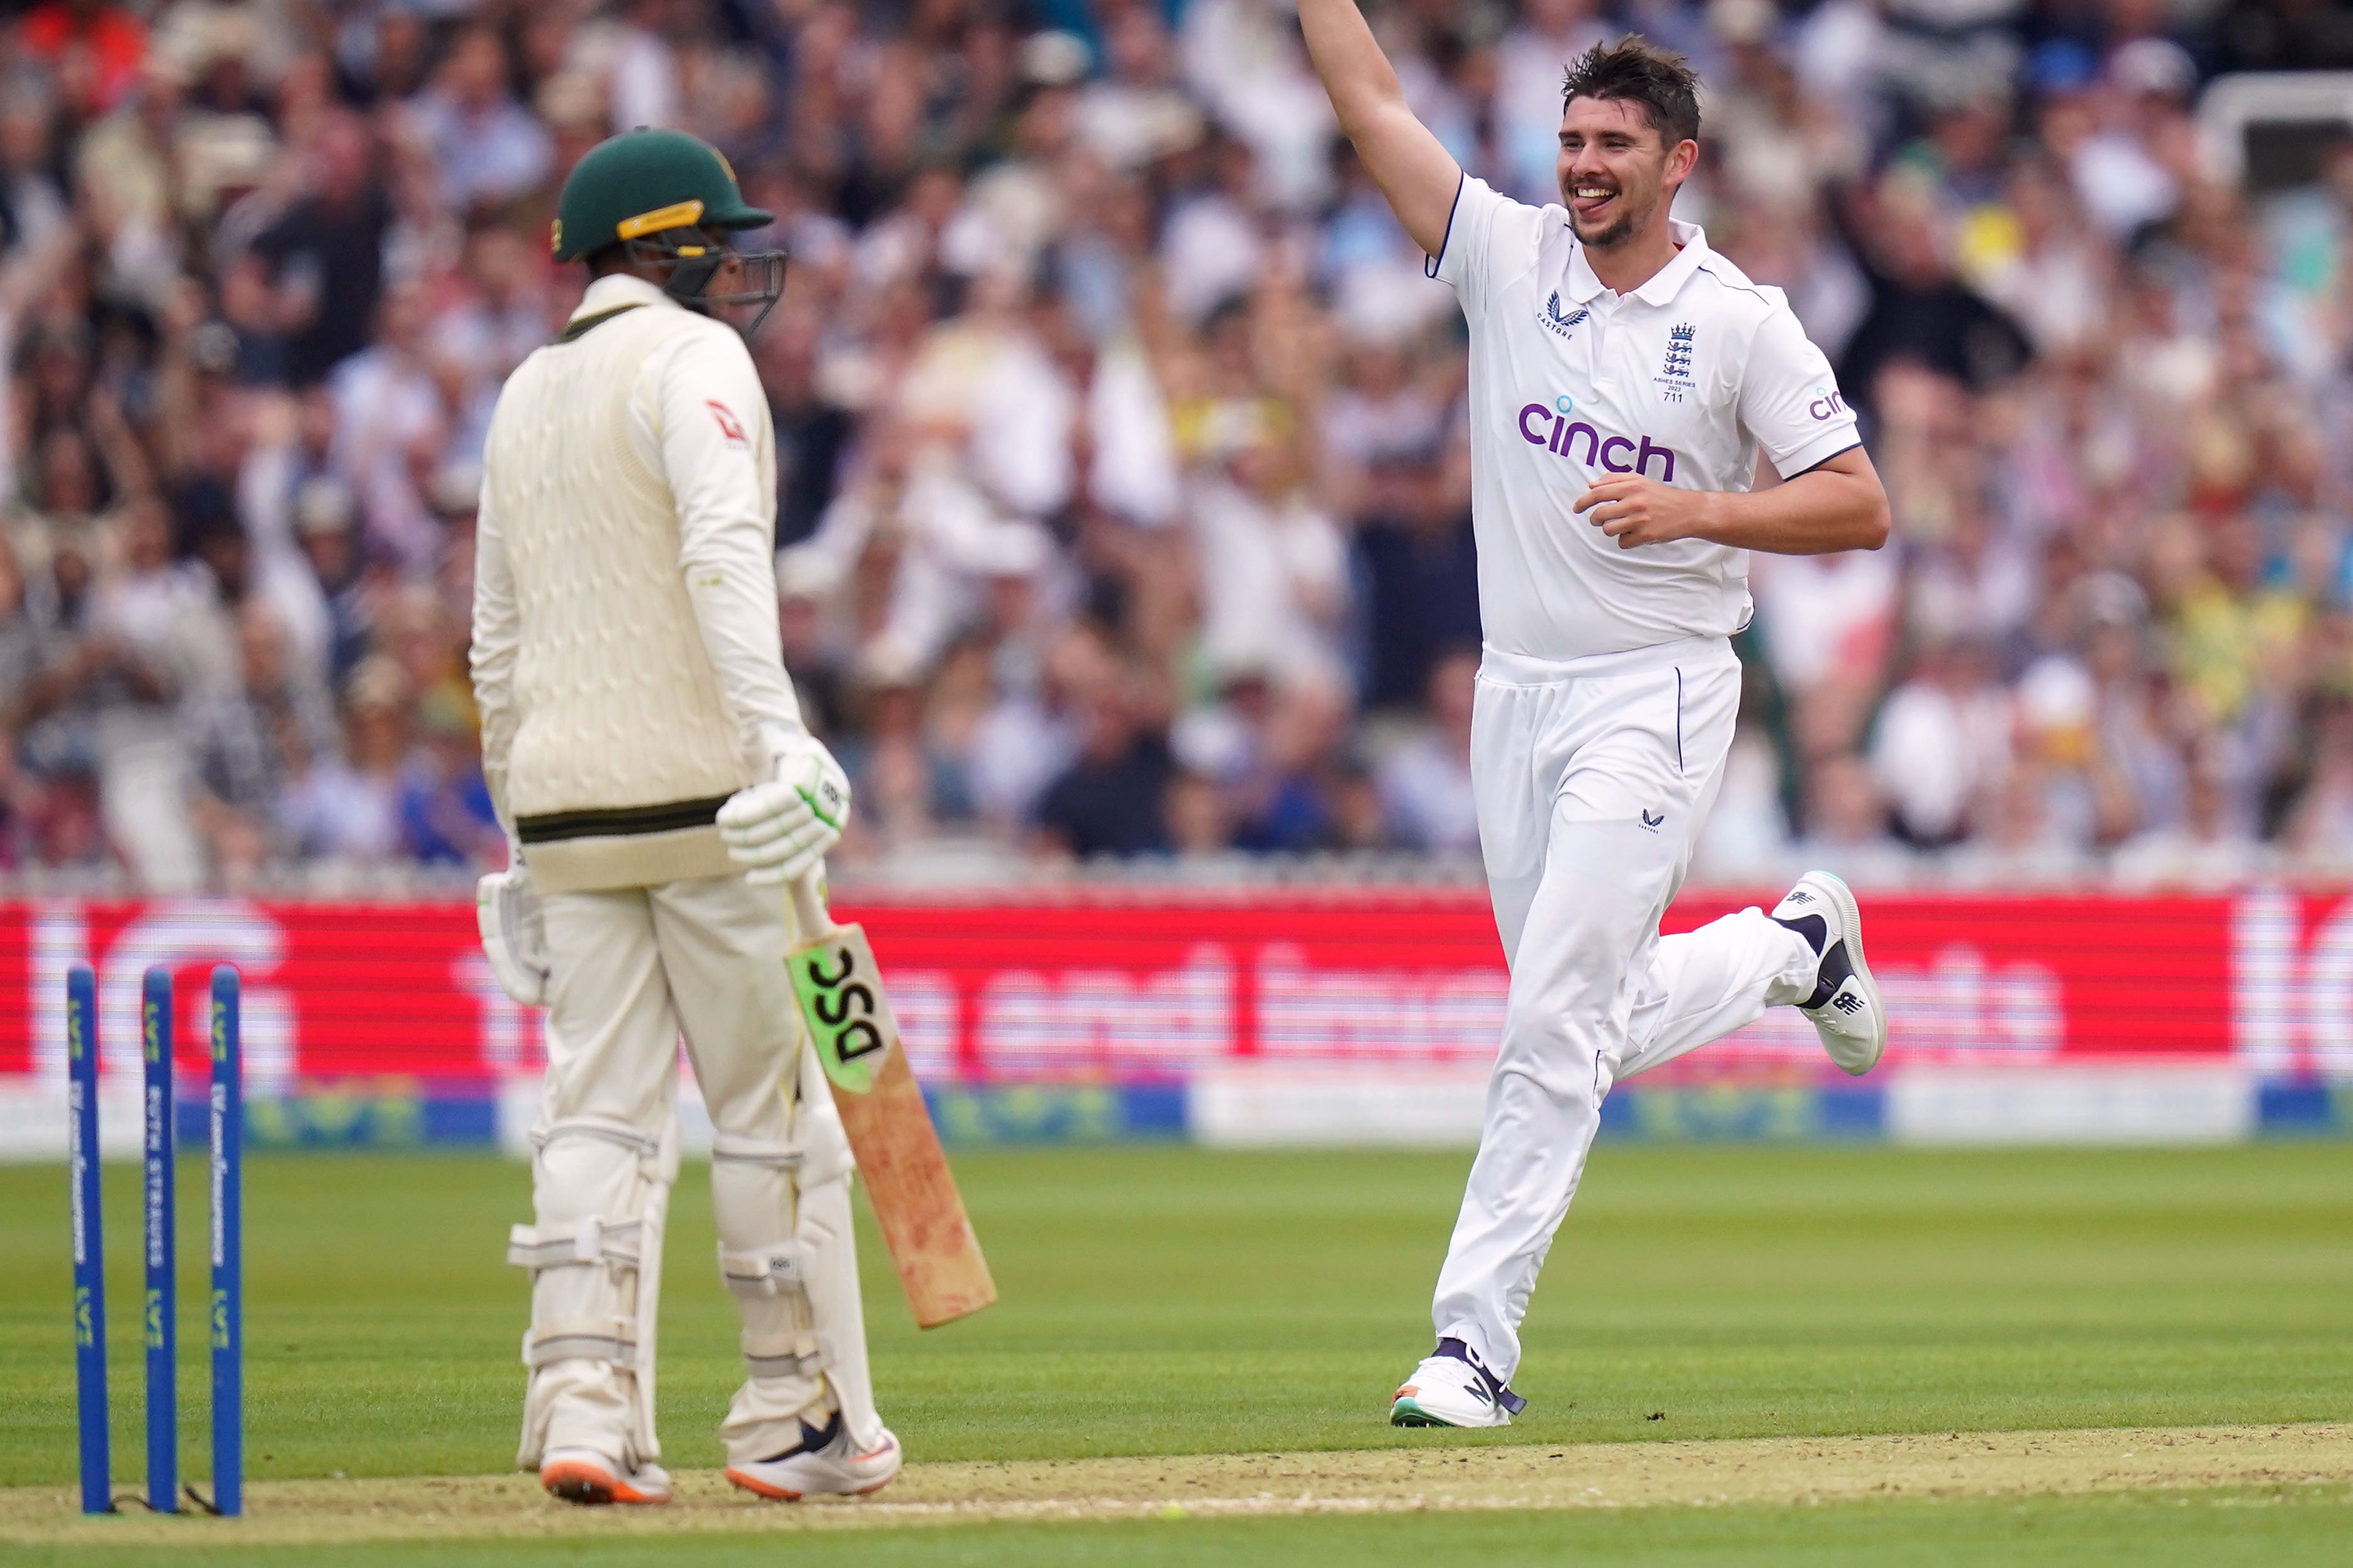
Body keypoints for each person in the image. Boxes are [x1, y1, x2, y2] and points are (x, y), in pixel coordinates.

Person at [1296, 14, 1896, 1428]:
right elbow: (1367, 99)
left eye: (1613, 145)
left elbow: (1858, 501)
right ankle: (1789, 947)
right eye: (1570, 141)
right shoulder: (1508, 259)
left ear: (1677, 163)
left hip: (1661, 685)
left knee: (1553, 1016)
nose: (1582, 166)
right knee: (1581, 1014)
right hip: (1518, 695)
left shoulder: (1736, 319)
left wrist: (1702, 507)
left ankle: (1471, 1349)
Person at [469, 128, 897, 1506]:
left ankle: (583, 1399)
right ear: (663, 245)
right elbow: (722, 555)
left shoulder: (524, 391)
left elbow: (494, 642)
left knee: (595, 1111)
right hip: (712, 802)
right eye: (718, 236)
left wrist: (515, 831)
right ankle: (791, 1409)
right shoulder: (700, 360)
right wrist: (781, 747)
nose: (737, 259)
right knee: (775, 1109)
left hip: (567, 813)